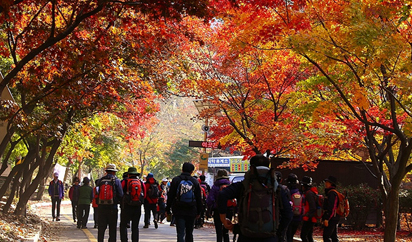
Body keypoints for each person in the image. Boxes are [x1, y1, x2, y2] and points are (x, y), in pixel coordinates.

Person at [217, 154, 292, 242]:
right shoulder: (277, 189)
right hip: (270, 237)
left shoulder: (243, 186)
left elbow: (222, 195)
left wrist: (224, 219)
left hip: (246, 236)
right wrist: (278, 232)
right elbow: (288, 214)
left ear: (251, 168)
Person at [166, 162, 203, 242]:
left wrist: (167, 209)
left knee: (180, 232)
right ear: (192, 171)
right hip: (191, 209)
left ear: (182, 169)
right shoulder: (195, 181)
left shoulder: (176, 180)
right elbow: (199, 198)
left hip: (179, 209)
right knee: (189, 232)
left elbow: (171, 195)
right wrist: (199, 212)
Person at [97, 164, 124, 242]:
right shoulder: (116, 180)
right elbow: (121, 194)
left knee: (101, 227)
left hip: (101, 206)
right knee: (112, 228)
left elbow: (97, 192)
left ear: (106, 171)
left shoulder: (100, 180)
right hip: (112, 207)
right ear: (114, 172)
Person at [120, 167, 146, 242]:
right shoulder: (140, 182)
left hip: (126, 207)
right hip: (137, 207)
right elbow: (144, 195)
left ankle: (124, 240)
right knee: (135, 227)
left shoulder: (125, 181)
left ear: (128, 174)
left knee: (123, 225)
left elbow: (121, 194)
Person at [206, 169, 232, 242]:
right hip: (228, 209)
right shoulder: (230, 185)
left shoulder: (215, 186)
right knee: (226, 231)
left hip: (218, 210)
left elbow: (210, 199)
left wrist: (209, 209)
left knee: (219, 231)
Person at [322, 176, 340, 242]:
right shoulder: (331, 193)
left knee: (326, 236)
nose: (326, 183)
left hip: (332, 218)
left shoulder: (332, 193)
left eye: (327, 182)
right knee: (333, 236)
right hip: (334, 217)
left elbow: (331, 207)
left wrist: (327, 218)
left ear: (331, 184)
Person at [300, 176, 318, 242]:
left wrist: (308, 215)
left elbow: (312, 207)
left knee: (303, 235)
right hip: (311, 218)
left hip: (309, 218)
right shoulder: (311, 193)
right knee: (309, 235)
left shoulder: (309, 194)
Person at [286, 173, 303, 242]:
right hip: (298, 217)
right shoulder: (299, 192)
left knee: (288, 236)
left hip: (289, 217)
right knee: (292, 235)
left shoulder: (287, 192)